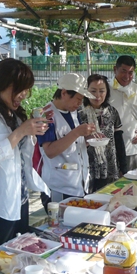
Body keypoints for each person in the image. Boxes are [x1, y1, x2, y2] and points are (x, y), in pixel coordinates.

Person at [0, 59, 50, 248]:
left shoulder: (14, 113)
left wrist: (33, 131)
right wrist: (21, 131)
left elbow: (20, 155)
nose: (23, 95)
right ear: (2, 84)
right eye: (20, 89)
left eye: (26, 90)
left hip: (19, 197)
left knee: (20, 251)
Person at [37, 73, 96, 203]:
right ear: (64, 93)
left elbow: (73, 143)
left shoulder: (73, 113)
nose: (79, 103)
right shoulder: (47, 115)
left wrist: (89, 139)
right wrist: (77, 132)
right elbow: (50, 151)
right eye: (77, 99)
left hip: (80, 184)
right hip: (59, 187)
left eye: (82, 99)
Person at [78, 74, 128, 192]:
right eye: (93, 91)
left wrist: (124, 167)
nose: (97, 95)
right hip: (86, 167)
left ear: (107, 92)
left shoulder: (112, 112)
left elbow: (118, 140)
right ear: (86, 91)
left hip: (109, 166)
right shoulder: (79, 113)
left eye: (102, 91)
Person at [107, 55, 137, 172]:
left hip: (134, 149)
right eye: (123, 71)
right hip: (110, 150)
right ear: (115, 69)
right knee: (113, 183)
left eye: (130, 72)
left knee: (134, 182)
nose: (127, 76)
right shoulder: (105, 90)